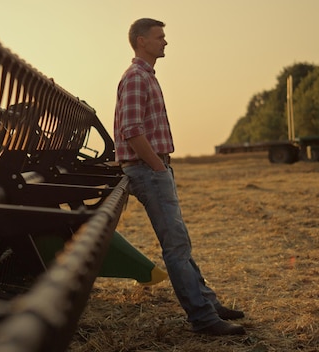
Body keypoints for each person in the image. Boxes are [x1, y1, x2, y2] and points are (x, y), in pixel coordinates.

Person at [113, 18, 246, 336]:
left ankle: (208, 304)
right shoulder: (135, 78)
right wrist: (158, 167)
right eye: (160, 37)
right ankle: (202, 318)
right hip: (148, 170)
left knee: (180, 245)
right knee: (175, 248)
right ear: (141, 41)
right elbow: (132, 131)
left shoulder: (146, 76)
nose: (165, 42)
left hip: (154, 168)